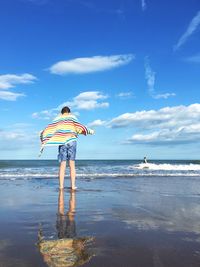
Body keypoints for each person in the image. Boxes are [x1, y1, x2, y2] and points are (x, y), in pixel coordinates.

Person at [40, 106, 94, 190]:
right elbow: (79, 128)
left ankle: (61, 186)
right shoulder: (72, 117)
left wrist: (43, 136)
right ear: (69, 112)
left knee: (62, 165)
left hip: (62, 142)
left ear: (61, 113)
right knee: (72, 164)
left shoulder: (58, 119)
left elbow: (50, 129)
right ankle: (73, 186)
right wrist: (89, 131)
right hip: (72, 141)